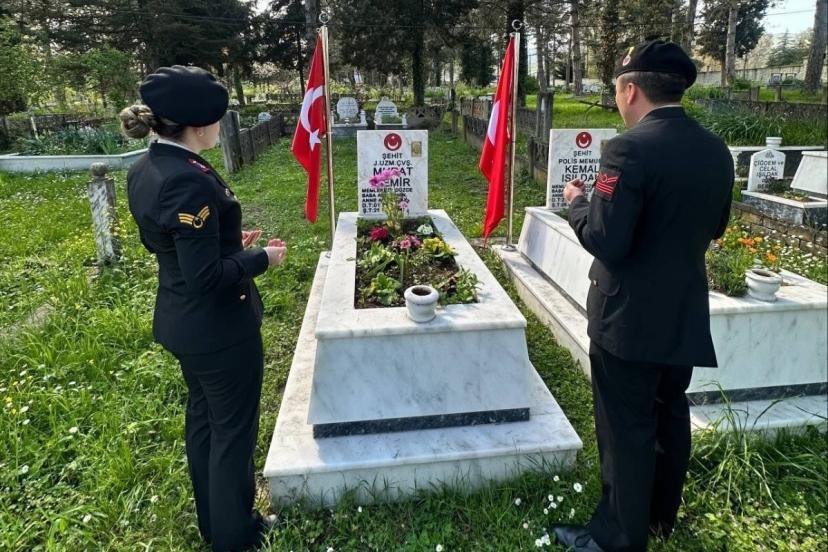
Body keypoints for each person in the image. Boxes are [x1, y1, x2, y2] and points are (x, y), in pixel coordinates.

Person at [549, 41, 734, 552]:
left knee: (625, 428)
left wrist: (579, 202)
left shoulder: (627, 150)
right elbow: (717, 226)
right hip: (682, 311)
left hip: (627, 318)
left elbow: (606, 239)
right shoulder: (715, 149)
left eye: (616, 90)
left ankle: (616, 537)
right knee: (669, 413)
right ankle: (658, 518)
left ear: (630, 90)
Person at [120, 65, 287, 552]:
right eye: (217, 118)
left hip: (184, 324)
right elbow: (205, 277)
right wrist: (261, 258)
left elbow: (167, 243)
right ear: (198, 126)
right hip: (219, 330)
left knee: (205, 421)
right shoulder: (186, 181)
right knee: (232, 431)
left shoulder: (147, 167)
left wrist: (226, 242)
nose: (220, 126)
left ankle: (216, 523)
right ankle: (236, 536)